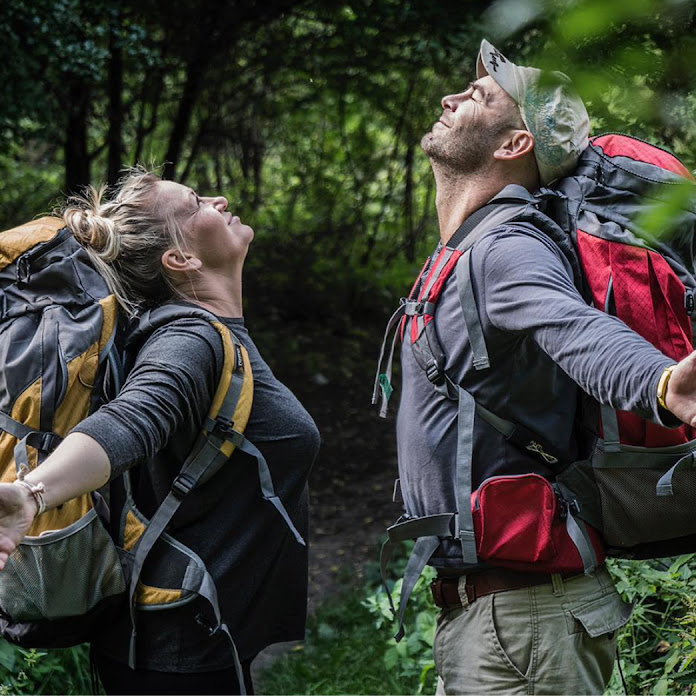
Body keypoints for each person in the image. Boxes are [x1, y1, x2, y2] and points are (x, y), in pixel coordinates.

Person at [388, 39, 696, 694]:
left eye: (478, 95)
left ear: (514, 144)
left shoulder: (506, 247)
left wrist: (663, 383)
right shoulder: (467, 247)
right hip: (506, 621)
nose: (451, 97)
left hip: (525, 625)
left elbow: (573, 327)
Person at [0, 170, 320, 694]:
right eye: (196, 203)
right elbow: (133, 419)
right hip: (176, 658)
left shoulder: (206, 334)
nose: (220, 200)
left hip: (185, 638)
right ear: (180, 259)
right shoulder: (190, 338)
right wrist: (32, 494)